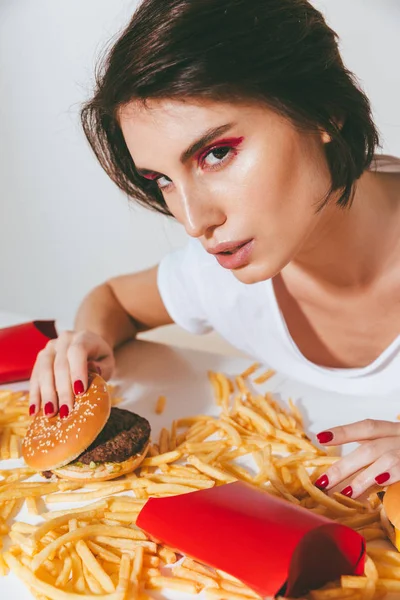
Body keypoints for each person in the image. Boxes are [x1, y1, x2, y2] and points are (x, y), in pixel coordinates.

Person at [29, 0, 400, 500]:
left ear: (322, 109)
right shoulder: (221, 274)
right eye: (161, 180)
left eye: (217, 153)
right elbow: (116, 299)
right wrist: (84, 347)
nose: (194, 220)